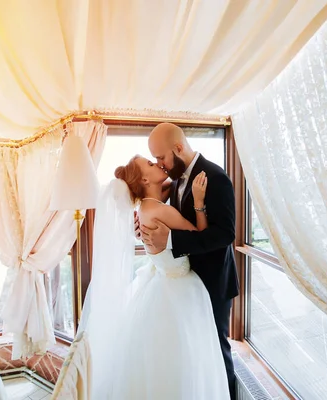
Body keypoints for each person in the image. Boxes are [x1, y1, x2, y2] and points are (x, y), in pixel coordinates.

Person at [83, 155, 230, 399]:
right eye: (150, 164)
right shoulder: (160, 210)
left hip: (161, 281)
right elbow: (200, 234)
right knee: (187, 357)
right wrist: (200, 202)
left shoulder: (145, 208)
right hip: (179, 286)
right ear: (143, 178)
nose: (157, 163)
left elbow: (161, 190)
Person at [137, 123, 239, 399]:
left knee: (217, 350)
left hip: (213, 282)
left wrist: (169, 241)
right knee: (196, 352)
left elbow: (225, 234)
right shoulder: (176, 179)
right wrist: (145, 229)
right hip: (187, 282)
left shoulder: (215, 177)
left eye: (162, 158)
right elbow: (154, 206)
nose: (160, 164)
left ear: (178, 148)